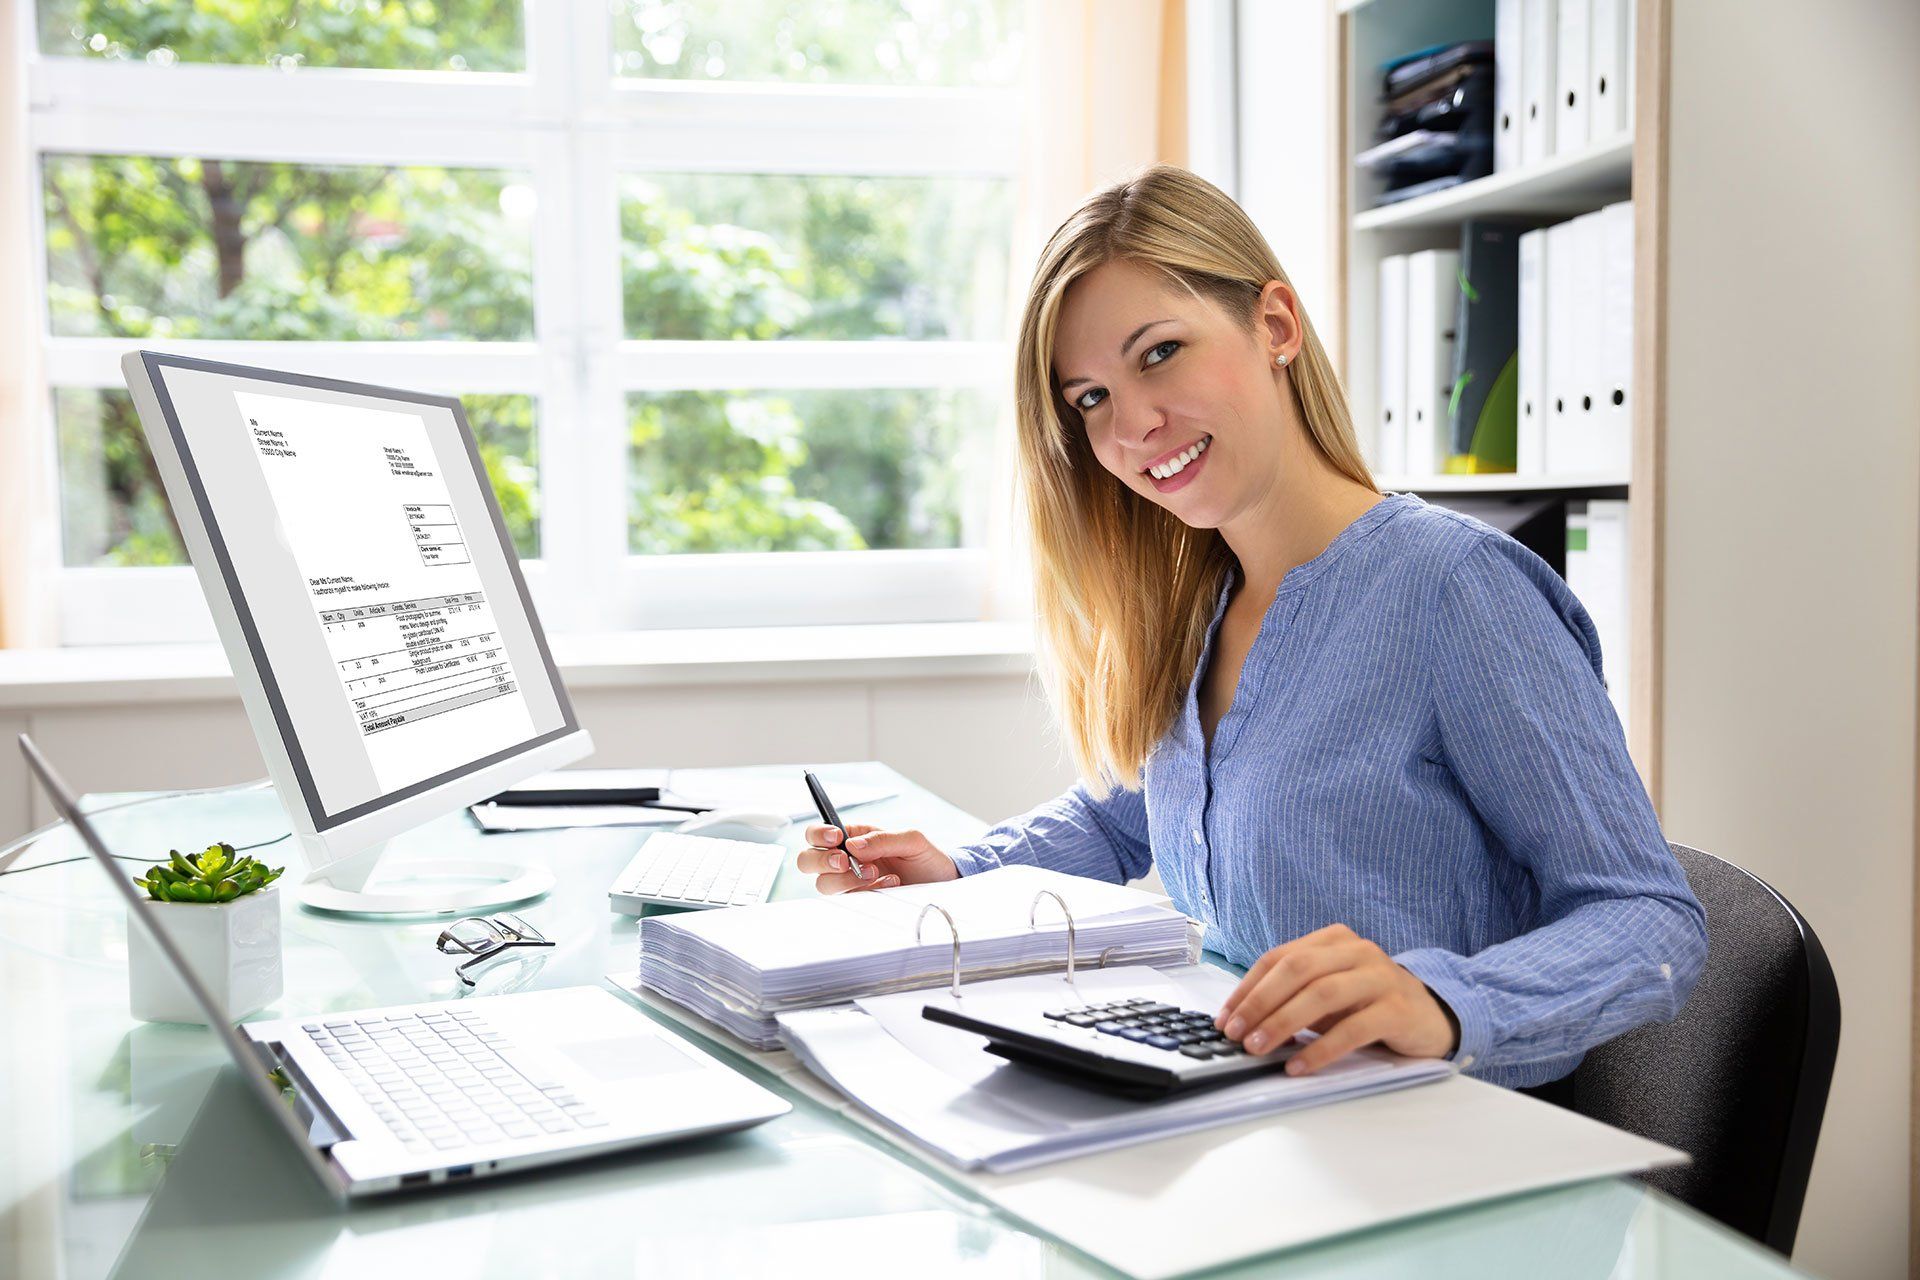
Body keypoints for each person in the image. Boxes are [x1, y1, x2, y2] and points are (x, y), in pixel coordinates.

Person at [794, 164, 1707, 1094]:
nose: (1133, 427)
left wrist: (1442, 1001)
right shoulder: (1198, 603)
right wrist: (960, 868)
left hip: (1436, 1141)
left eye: (1159, 354)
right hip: (1252, 1118)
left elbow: (1646, 917)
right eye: (1090, 399)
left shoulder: (1455, 591)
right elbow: (1125, 815)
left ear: (1275, 325)